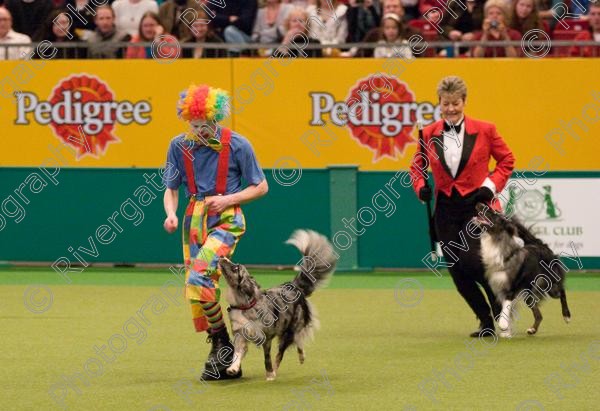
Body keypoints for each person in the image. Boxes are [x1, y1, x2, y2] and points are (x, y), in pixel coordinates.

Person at [162, 84, 268, 380]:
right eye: (194, 125)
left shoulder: (238, 144)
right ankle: (222, 345)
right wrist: (170, 214)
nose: (199, 130)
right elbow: (171, 189)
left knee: (198, 275)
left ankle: (221, 343)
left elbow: (261, 186)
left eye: (204, 125)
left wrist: (229, 199)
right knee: (198, 289)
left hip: (227, 218)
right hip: (193, 219)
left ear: (215, 117)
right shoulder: (177, 145)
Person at [410, 76, 515, 337]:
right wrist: (421, 186)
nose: (451, 108)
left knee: (471, 261)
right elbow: (417, 167)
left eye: (456, 103)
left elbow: (507, 160)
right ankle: (486, 322)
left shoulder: (486, 129)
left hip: (477, 205)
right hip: (446, 209)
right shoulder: (429, 133)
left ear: (464, 102)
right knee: (456, 270)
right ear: (439, 104)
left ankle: (502, 303)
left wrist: (489, 187)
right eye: (446, 104)